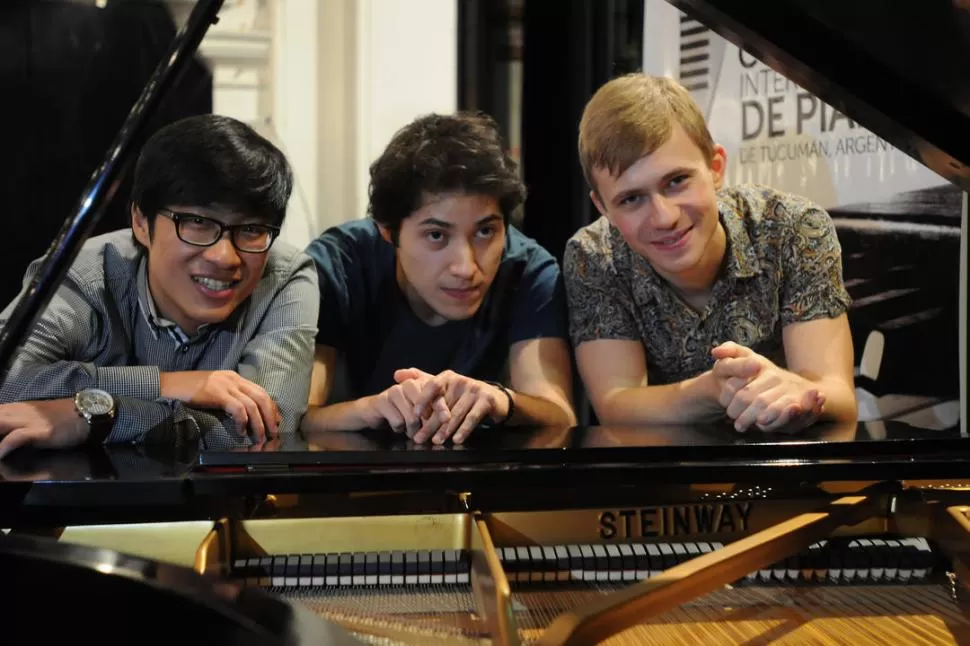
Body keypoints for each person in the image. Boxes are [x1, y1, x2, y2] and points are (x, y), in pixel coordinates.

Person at [0, 114, 319, 458]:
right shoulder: (83, 274)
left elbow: (268, 428)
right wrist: (167, 384)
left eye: (252, 229)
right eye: (197, 222)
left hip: (221, 505)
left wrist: (104, 415)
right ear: (140, 222)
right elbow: (9, 380)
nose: (226, 257)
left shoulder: (285, 277)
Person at [565, 73, 857, 433]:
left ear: (716, 167)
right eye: (631, 199)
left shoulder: (795, 228)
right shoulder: (594, 256)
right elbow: (616, 405)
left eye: (676, 181)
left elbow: (839, 398)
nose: (664, 218)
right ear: (603, 208)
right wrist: (712, 390)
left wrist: (797, 390)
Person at [302, 112, 576, 444]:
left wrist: (503, 399)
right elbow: (299, 418)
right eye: (436, 236)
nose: (466, 267)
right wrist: (370, 409)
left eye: (485, 231)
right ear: (389, 231)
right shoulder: (338, 265)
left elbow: (559, 416)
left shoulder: (529, 271)